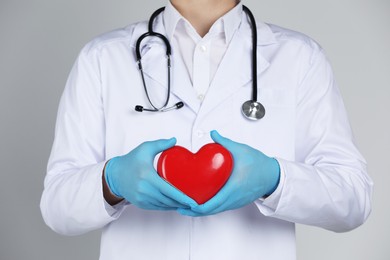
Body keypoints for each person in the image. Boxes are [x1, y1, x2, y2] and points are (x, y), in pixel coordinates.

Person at [40, 0, 373, 259]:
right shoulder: (102, 58)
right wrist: (111, 181)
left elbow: (353, 199)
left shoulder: (300, 58)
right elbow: (56, 207)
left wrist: (275, 179)